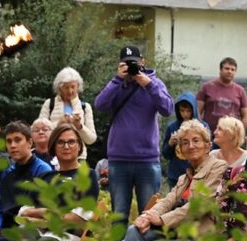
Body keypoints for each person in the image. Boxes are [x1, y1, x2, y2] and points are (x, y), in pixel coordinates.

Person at [120, 120, 228, 241]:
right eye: (185, 143)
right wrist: (148, 216)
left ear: (207, 145)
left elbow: (199, 206)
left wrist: (161, 220)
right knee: (134, 231)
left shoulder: (218, 167)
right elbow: (167, 201)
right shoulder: (184, 178)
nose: (190, 146)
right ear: (181, 150)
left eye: (196, 140)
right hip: (176, 233)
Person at [94, 45, 173, 225]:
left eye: (134, 63)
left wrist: (148, 84)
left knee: (149, 215)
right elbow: (100, 105)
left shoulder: (154, 83)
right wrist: (117, 80)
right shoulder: (117, 85)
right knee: (119, 214)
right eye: (127, 64)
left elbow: (167, 109)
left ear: (143, 62)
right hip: (119, 159)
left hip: (147, 160)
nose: (131, 68)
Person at [17, 123, 99, 241]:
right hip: (36, 233)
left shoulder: (87, 175)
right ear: (53, 147)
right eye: (60, 142)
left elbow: (78, 220)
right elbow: (23, 212)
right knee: (23, 234)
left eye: (71, 142)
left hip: (67, 238)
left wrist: (43, 213)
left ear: (79, 146)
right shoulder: (45, 177)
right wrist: (54, 215)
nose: (66, 146)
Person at [0, 121, 54, 241]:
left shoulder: (42, 170)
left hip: (27, 232)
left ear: (30, 143)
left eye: (17, 140)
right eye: (9, 141)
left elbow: (43, 210)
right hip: (4, 230)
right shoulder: (8, 172)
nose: (13, 145)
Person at [38, 67, 97, 159]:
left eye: (73, 87)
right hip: (53, 157)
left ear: (78, 86)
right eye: (66, 87)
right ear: (60, 88)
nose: (70, 91)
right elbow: (40, 133)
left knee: (82, 169)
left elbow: (91, 139)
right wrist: (59, 124)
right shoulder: (49, 104)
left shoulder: (85, 107)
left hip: (79, 158)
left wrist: (79, 126)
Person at [162, 91, 209, 187]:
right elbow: (165, 155)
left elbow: (208, 151)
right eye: (182, 111)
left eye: (188, 111)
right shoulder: (172, 127)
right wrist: (170, 144)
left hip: (198, 175)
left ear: (194, 110)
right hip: (176, 176)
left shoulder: (202, 127)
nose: (185, 114)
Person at [196, 57, 247, 131]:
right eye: (227, 68)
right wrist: (200, 130)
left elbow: (245, 116)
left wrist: (240, 132)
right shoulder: (207, 87)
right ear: (220, 70)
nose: (229, 71)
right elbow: (197, 112)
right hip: (209, 133)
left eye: (233, 70)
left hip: (231, 134)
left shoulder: (240, 90)